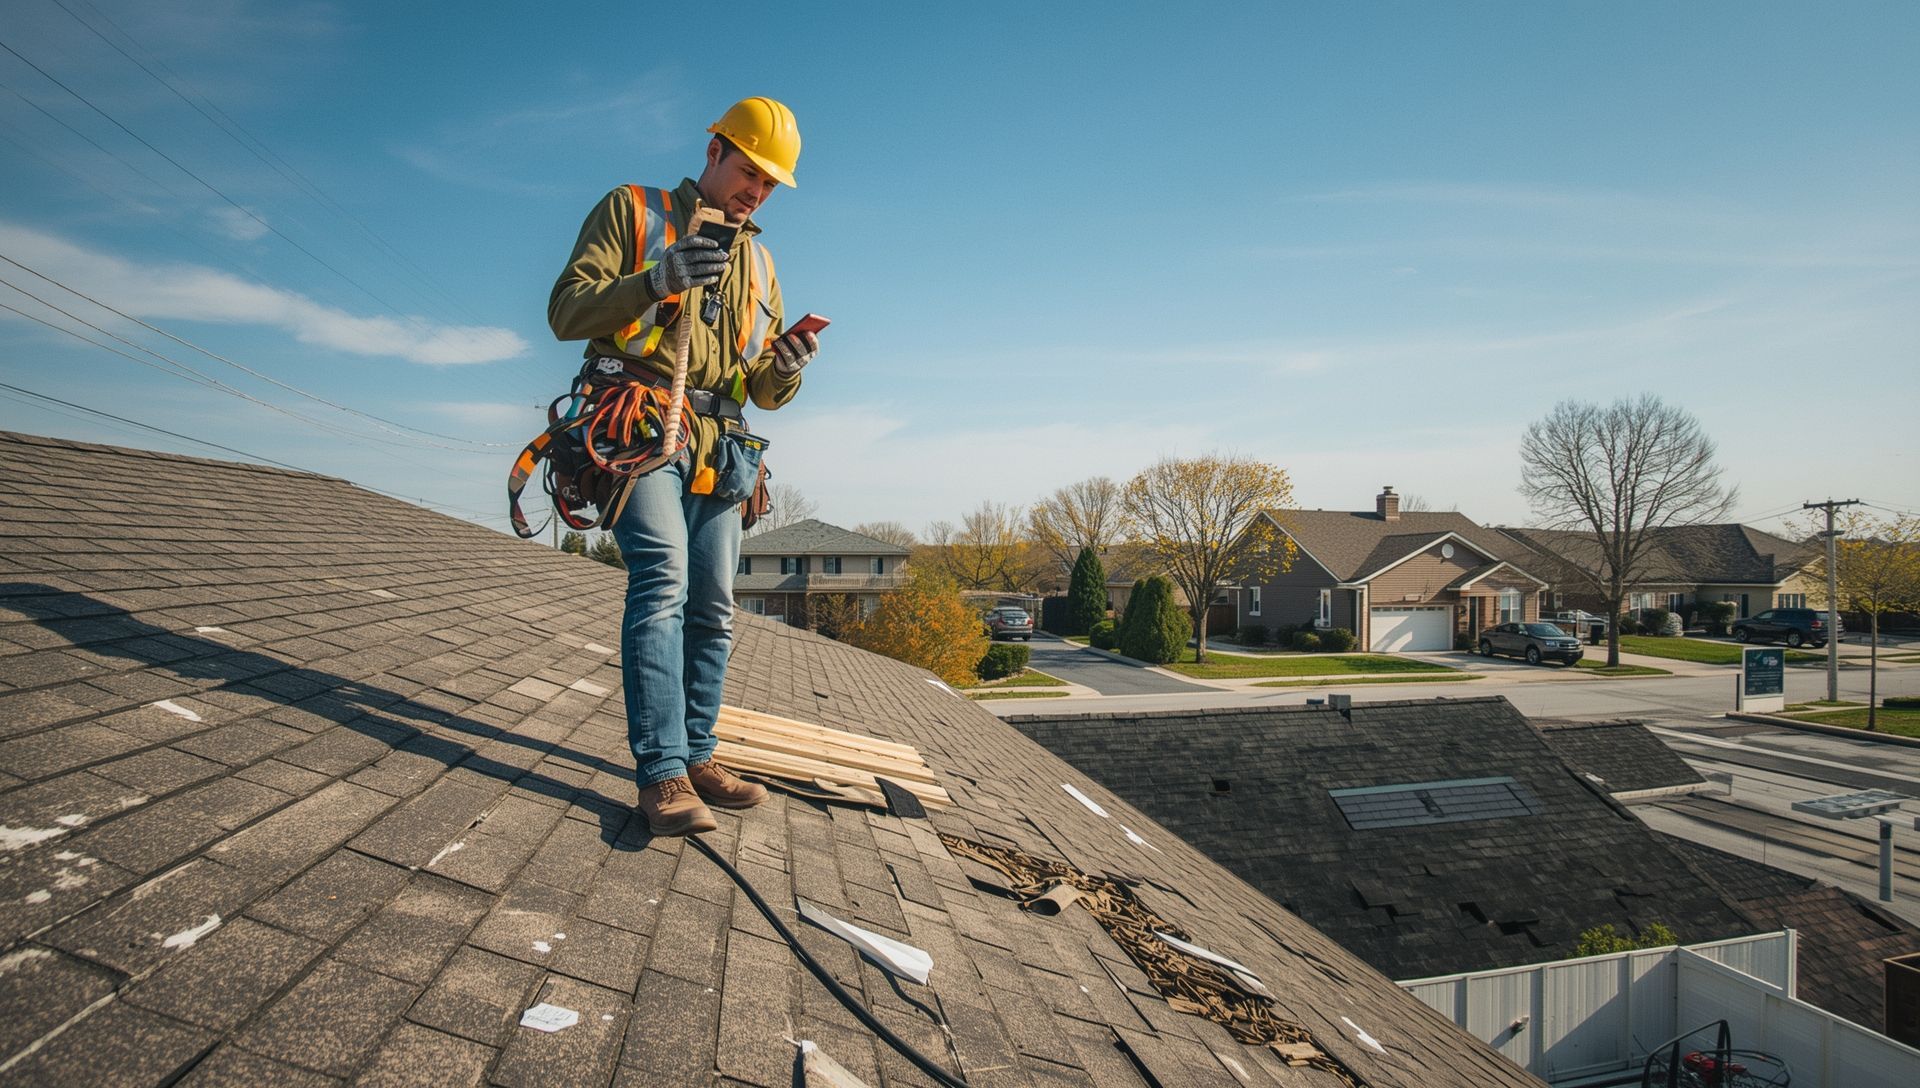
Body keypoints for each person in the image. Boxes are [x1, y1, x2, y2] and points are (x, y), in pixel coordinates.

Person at [547, 97, 819, 835]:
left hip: (719, 445)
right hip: (638, 423)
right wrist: (656, 279)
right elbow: (566, 312)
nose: (757, 191)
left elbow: (759, 387)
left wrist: (786, 367)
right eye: (749, 172)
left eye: (770, 183)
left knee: (714, 607)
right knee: (663, 579)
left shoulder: (760, 263)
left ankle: (698, 755)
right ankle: (662, 773)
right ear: (714, 151)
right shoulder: (634, 211)